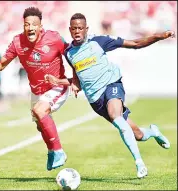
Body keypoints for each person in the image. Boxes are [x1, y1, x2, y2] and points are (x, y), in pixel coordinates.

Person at [44, 13, 175, 178]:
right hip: (96, 100)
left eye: (80, 28)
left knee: (116, 116)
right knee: (137, 134)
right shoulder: (69, 53)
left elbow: (134, 43)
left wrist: (159, 36)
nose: (77, 31)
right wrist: (58, 81)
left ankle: (139, 163)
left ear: (86, 29)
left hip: (111, 85)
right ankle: (153, 132)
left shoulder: (99, 41)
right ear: (70, 30)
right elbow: (77, 80)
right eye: (74, 28)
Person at [0, 7, 71, 171]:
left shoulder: (54, 38)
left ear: (40, 26)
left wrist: (75, 80)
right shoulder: (17, 42)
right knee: (40, 124)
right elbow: (1, 64)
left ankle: (58, 151)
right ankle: (52, 150)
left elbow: (72, 54)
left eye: (34, 24)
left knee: (40, 111)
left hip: (56, 86)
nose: (30, 28)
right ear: (23, 26)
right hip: (36, 91)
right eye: (26, 24)